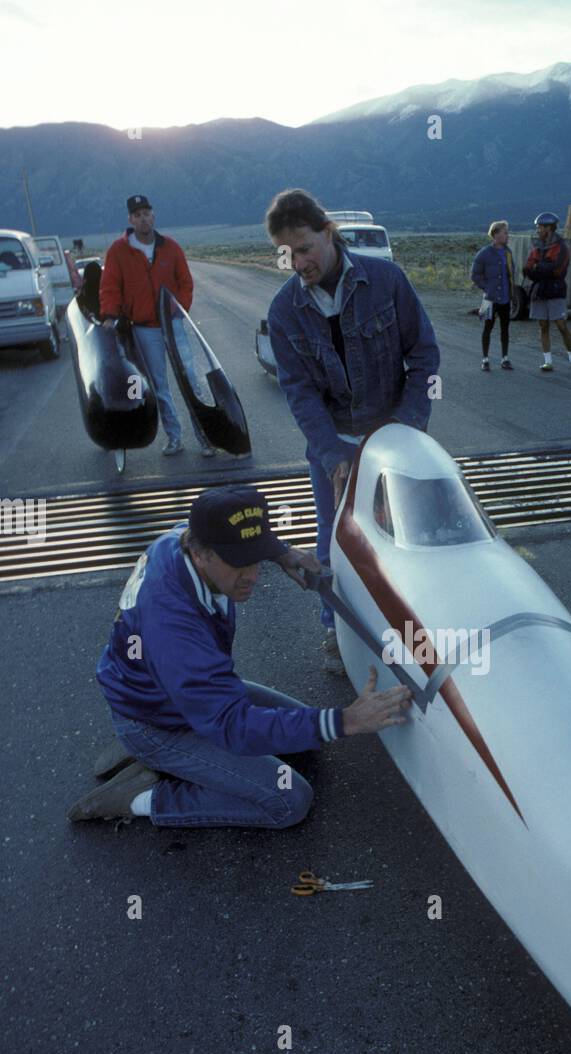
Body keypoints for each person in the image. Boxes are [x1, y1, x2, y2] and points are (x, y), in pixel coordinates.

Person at [67, 485, 412, 828]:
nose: (253, 576)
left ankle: (167, 757)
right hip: (163, 718)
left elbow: (237, 537)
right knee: (289, 797)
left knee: (305, 735)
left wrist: (282, 553)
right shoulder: (172, 627)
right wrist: (347, 721)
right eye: (238, 563)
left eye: (255, 558)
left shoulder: (183, 540)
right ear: (201, 554)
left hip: (175, 694)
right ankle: (140, 796)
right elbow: (233, 726)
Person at [264, 188, 440, 675]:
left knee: (404, 536)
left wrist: (404, 432)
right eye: (286, 253)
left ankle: (414, 630)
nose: (297, 262)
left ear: (328, 232)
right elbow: (298, 391)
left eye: (304, 248)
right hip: (334, 443)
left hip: (393, 436)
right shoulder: (284, 312)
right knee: (333, 543)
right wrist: (333, 455)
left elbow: (424, 356)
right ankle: (337, 629)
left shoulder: (386, 281)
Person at [99, 194, 216, 457]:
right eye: (137, 215)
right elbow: (110, 286)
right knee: (159, 386)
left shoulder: (170, 248)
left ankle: (205, 437)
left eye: (147, 213)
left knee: (190, 382)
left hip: (173, 325)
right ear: (130, 219)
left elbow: (185, 283)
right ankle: (174, 437)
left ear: (154, 216)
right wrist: (109, 314)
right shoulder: (118, 252)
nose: (143, 218)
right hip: (144, 328)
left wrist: (179, 307)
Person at [525, 212, 571, 374]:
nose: (538, 230)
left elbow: (557, 269)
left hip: (555, 290)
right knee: (543, 325)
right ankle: (547, 361)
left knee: (561, 325)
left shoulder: (561, 247)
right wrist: (540, 268)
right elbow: (528, 268)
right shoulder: (537, 246)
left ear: (549, 228)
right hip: (540, 291)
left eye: (540, 227)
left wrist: (539, 267)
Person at [470, 220, 514, 371]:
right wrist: (486, 288)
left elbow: (511, 274)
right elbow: (475, 275)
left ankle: (505, 358)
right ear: (495, 234)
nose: (507, 235)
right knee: (487, 328)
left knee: (505, 328)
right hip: (489, 299)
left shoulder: (508, 253)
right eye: (505, 232)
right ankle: (485, 359)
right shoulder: (484, 253)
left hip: (505, 297)